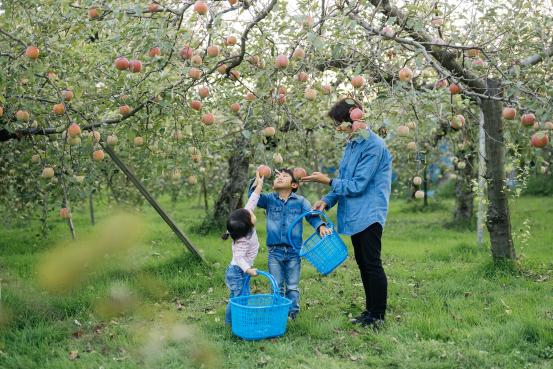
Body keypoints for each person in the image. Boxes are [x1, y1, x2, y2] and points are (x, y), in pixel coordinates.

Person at [301, 97, 393, 329]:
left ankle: (378, 316)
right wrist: (327, 200)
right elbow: (345, 182)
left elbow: (358, 184)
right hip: (354, 213)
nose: (337, 129)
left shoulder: (374, 145)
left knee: (372, 263)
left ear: (352, 117)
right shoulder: (353, 144)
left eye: (339, 123)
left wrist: (328, 180)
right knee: (363, 262)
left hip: (369, 213)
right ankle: (369, 312)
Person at [248, 168, 331, 319]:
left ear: (294, 185)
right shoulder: (268, 200)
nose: (279, 177)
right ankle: (278, 314)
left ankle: (292, 314)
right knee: (276, 285)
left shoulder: (300, 201)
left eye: (284, 176)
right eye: (277, 176)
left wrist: (321, 226)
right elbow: (253, 196)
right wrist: (258, 179)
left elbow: (311, 216)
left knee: (292, 286)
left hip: (294, 251)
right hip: (275, 251)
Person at [223, 170, 264, 325]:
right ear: (249, 224)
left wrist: (259, 185)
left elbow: (251, 202)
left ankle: (232, 321)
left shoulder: (244, 226)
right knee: (241, 298)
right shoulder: (243, 240)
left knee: (237, 297)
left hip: (239, 272)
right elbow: (239, 258)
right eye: (250, 215)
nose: (251, 213)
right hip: (237, 272)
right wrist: (248, 270)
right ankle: (235, 322)